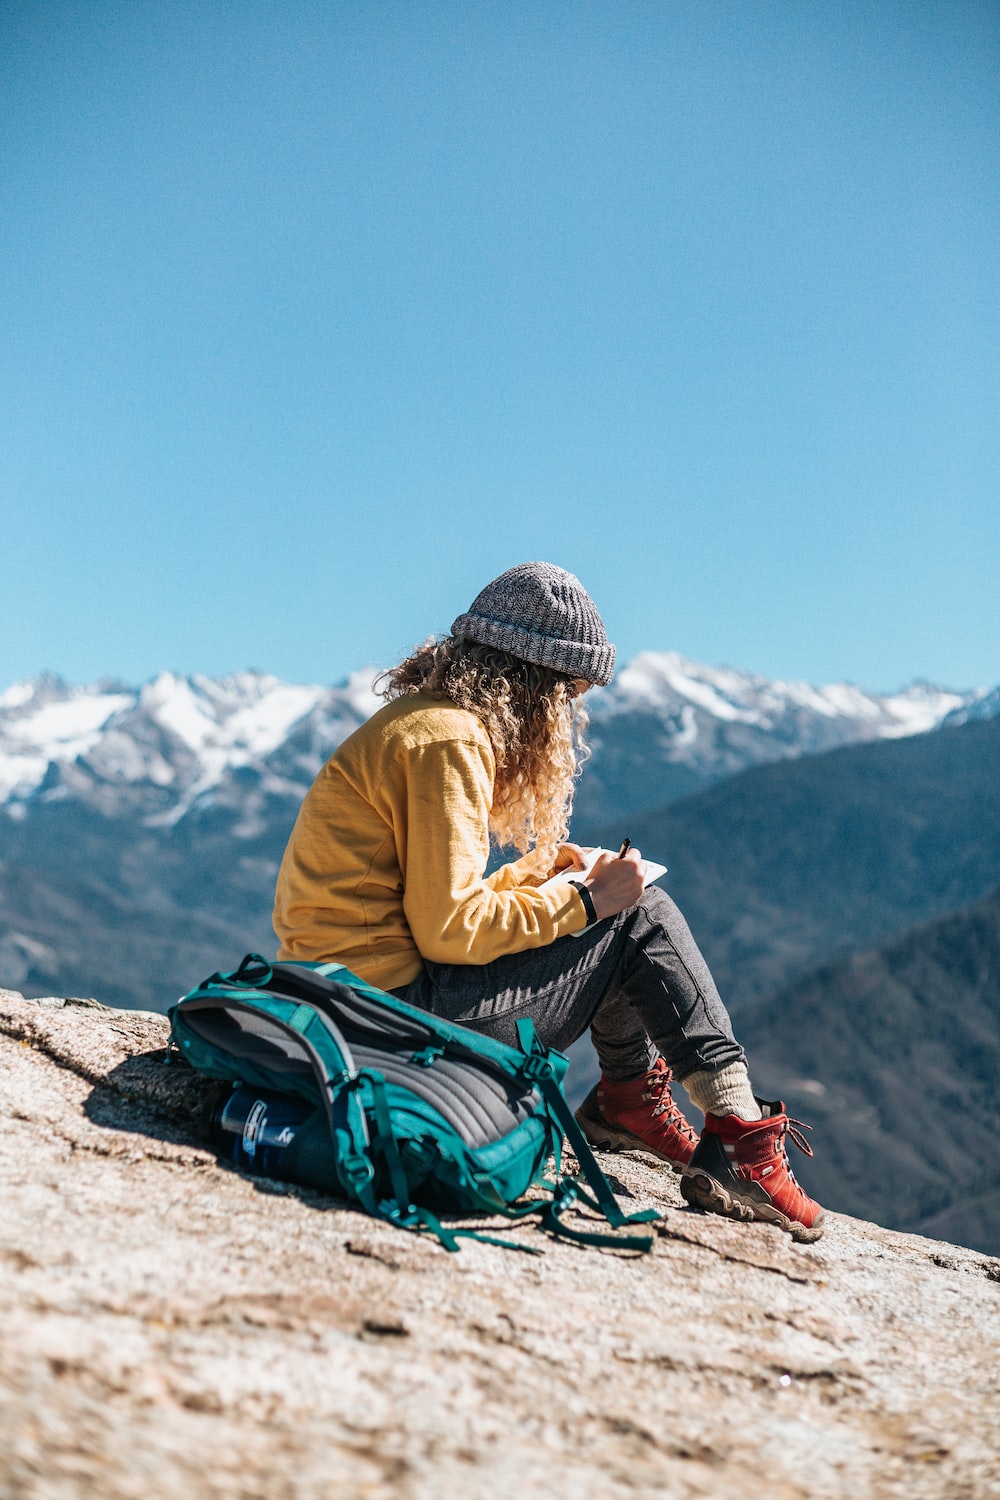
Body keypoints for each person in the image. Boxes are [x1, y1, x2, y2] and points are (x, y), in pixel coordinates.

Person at [273, 561, 824, 1241]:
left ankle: (629, 1102)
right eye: (568, 694)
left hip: (346, 1002)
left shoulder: (419, 724)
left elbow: (417, 906)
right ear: (533, 684)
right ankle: (738, 1135)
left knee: (620, 906)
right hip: (392, 1021)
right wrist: (587, 904)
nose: (568, 714)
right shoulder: (450, 741)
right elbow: (449, 931)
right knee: (639, 914)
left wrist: (539, 877)